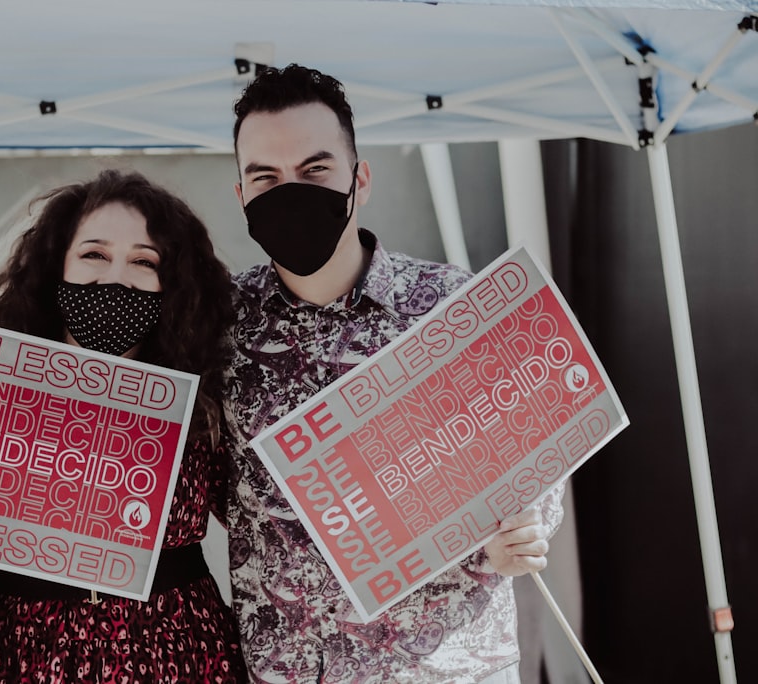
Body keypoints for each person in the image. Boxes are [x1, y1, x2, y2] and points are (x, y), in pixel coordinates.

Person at [222, 64, 564, 683]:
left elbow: (534, 462)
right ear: (241, 194)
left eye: (315, 169)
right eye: (265, 176)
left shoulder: (456, 305)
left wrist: (521, 532)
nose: (289, 190)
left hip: (449, 667)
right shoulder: (217, 329)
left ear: (361, 180)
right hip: (296, 671)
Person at [0, 169, 248, 684]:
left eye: (143, 261)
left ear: (170, 283)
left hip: (182, 655)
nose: (115, 277)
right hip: (31, 657)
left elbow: (262, 519)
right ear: (56, 264)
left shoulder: (200, 396)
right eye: (94, 254)